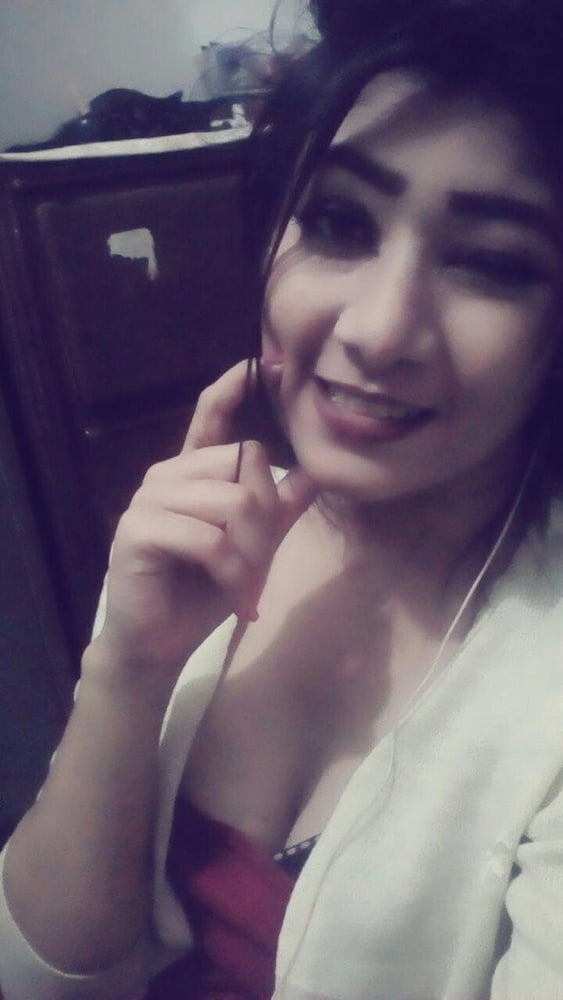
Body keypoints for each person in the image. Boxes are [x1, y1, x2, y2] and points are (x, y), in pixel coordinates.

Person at [2, 0, 563, 997]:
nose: (378, 329)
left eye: (490, 262)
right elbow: (41, 974)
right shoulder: (211, 525)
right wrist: (128, 670)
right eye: (339, 223)